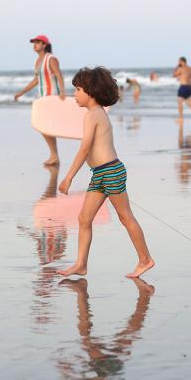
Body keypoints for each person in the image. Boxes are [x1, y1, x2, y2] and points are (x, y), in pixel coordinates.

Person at [57, 67, 155, 278]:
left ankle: (145, 259)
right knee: (84, 218)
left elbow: (84, 149)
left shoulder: (93, 115)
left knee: (125, 216)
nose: (75, 95)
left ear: (90, 91)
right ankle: (81, 264)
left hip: (110, 171)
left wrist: (68, 176)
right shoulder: (96, 113)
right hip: (100, 174)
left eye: (78, 90)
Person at [14, 34, 67, 166]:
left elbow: (59, 75)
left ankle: (54, 156)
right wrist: (21, 92)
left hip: (52, 96)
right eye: (34, 43)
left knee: (45, 125)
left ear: (44, 45)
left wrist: (62, 92)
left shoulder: (51, 59)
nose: (35, 45)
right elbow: (37, 80)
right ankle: (54, 155)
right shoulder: (37, 61)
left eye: (37, 43)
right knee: (43, 126)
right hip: (42, 97)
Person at [173, 57, 191, 121]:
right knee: (188, 103)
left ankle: (181, 118)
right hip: (189, 87)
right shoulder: (190, 69)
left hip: (183, 87)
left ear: (182, 62)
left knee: (179, 102)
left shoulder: (181, 68)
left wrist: (177, 67)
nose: (178, 63)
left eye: (179, 61)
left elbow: (174, 75)